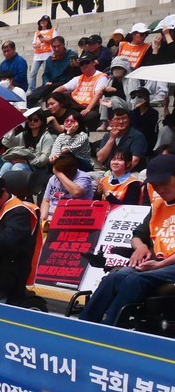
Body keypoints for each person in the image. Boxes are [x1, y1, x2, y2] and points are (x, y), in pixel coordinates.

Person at [79, 155, 175, 325]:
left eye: (165, 183)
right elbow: (138, 234)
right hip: (158, 262)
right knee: (114, 278)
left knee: (135, 280)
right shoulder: (158, 205)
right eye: (155, 184)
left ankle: (111, 328)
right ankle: (84, 324)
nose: (160, 189)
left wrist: (159, 264)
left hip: (168, 265)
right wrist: (140, 247)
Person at [53, 52, 107, 131]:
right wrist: (51, 98)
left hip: (92, 106)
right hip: (76, 105)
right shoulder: (79, 78)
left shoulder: (101, 77)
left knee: (89, 117)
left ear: (94, 63)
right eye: (81, 64)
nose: (84, 65)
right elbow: (62, 88)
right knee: (61, 96)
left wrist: (88, 109)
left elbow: (98, 94)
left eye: (87, 62)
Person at [40, 153, 95, 225]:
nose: (56, 177)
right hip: (52, 216)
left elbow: (76, 192)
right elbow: (46, 201)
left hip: (74, 218)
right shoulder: (53, 179)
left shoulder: (83, 177)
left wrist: (60, 175)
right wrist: (44, 217)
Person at [0, 110, 54, 176]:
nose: (32, 122)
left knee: (17, 166)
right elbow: (6, 143)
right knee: (6, 165)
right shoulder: (24, 134)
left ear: (42, 121)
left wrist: (26, 162)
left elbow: (44, 159)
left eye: (36, 120)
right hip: (22, 163)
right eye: (30, 119)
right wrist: (12, 130)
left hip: (37, 168)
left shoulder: (47, 137)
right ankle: (0, 182)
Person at [29, 16, 56, 93]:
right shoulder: (37, 32)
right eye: (41, 21)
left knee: (45, 73)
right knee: (33, 73)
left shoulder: (52, 30)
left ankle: (44, 88)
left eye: (45, 21)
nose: (43, 22)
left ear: (48, 22)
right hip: (38, 54)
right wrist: (36, 46)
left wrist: (45, 40)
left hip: (48, 54)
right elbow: (34, 44)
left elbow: (55, 40)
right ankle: (31, 89)